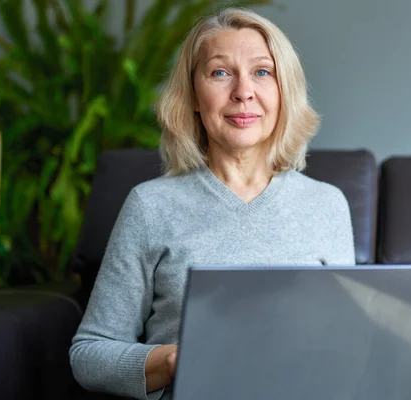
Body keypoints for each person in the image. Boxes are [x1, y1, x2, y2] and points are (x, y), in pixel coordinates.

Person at [69, 7, 355, 400]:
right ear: (194, 98)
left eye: (262, 72)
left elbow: (346, 352)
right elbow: (89, 354)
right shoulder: (151, 206)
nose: (243, 92)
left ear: (283, 92)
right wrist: (170, 362)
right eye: (220, 72)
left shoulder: (328, 205)